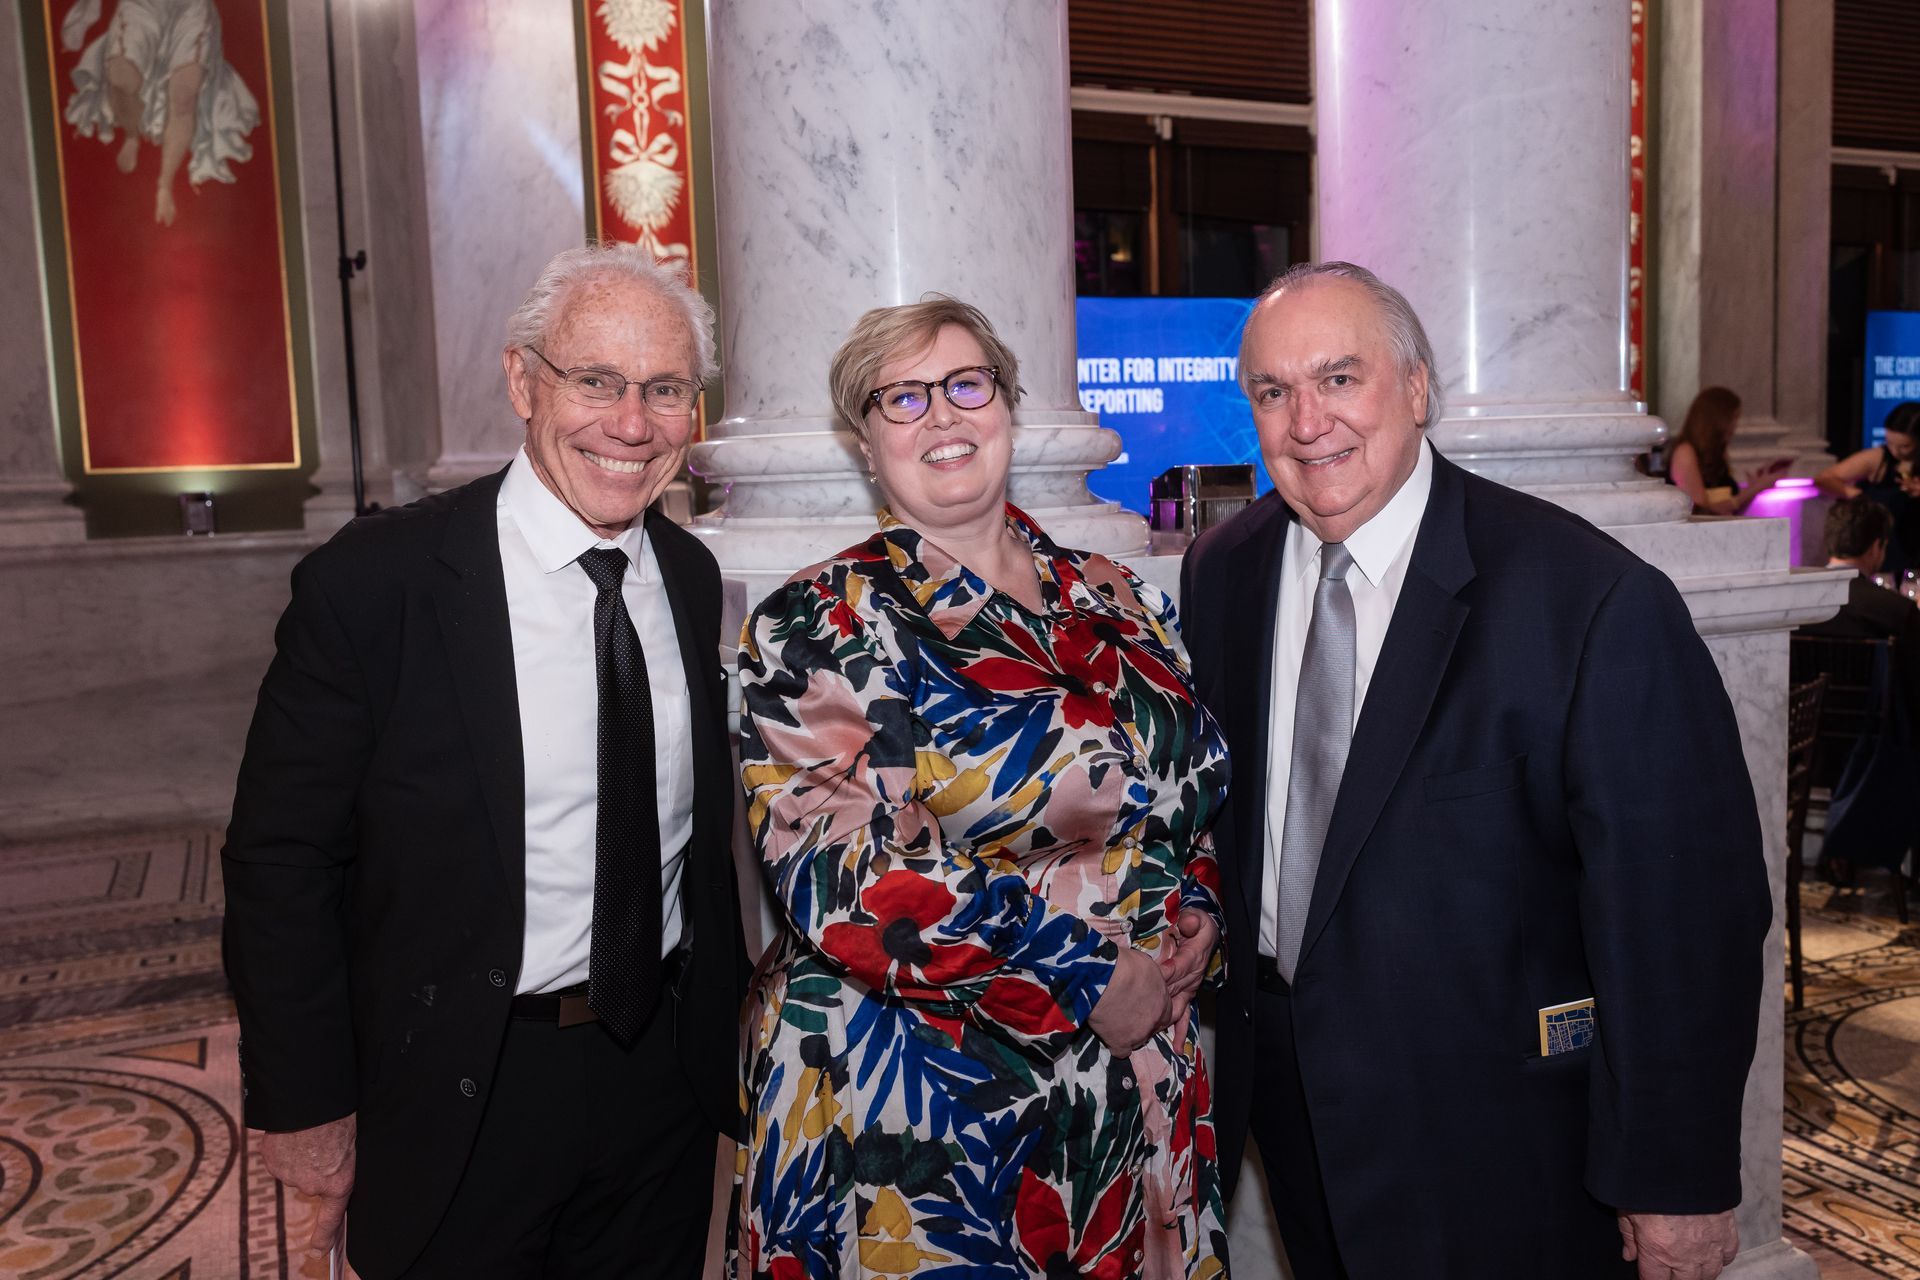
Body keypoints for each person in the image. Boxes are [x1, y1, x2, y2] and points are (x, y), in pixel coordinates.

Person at [1179, 261, 1770, 1280]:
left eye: (1339, 377)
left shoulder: (1586, 598)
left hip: (1504, 1137)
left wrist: (1675, 1173)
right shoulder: (1223, 569)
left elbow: (1682, 911)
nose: (1306, 420)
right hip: (1292, 1100)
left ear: (1416, 388)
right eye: (1273, 392)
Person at [222, 243, 746, 1279]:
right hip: (460, 1081)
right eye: (594, 380)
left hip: (658, 1085)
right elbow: (280, 861)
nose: (630, 422)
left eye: (666, 389)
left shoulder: (687, 574)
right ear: (521, 379)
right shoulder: (379, 585)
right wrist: (306, 1103)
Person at [732, 297, 1231, 1279]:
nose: (943, 416)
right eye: (903, 397)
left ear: (1007, 404)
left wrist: (1197, 901)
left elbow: (1180, 789)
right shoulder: (823, 622)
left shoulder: (1118, 595)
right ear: (863, 438)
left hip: (1134, 1101)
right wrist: (1092, 975)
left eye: (967, 384)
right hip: (923, 1114)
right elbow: (852, 877)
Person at [60, 0, 262, 225]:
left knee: (184, 94)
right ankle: (132, 134)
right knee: (120, 76)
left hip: (191, 7)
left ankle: (164, 185)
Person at [1815, 402, 1920, 578]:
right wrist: (1856, 495)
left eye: (1904, 446)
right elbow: (1824, 479)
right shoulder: (1879, 458)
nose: (1895, 451)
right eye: (1890, 443)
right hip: (1886, 551)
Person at [1664, 385, 1790, 515]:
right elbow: (1700, 512)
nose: (1735, 425)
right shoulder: (1685, 453)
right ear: (1718, 419)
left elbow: (1732, 511)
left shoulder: (1718, 453)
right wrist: (1756, 489)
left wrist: (1754, 488)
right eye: (1733, 418)